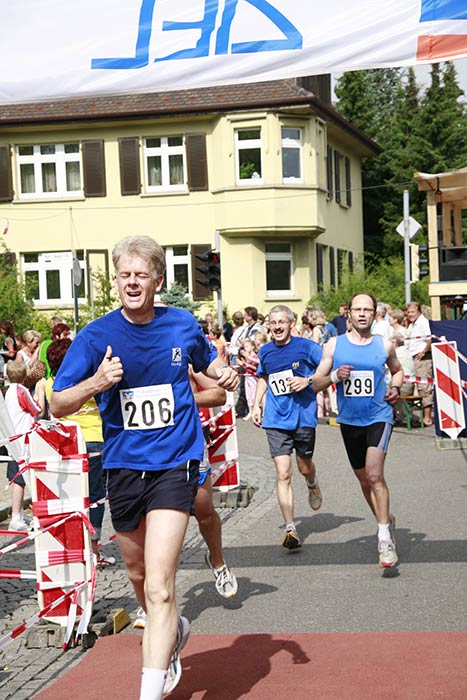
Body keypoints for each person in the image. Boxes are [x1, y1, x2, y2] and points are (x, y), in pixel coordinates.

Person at [49, 235, 238, 700]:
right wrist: (97, 382)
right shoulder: (96, 335)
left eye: (141, 275)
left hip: (176, 463)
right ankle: (170, 631)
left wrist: (225, 372)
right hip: (124, 467)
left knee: (160, 586)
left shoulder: (181, 324)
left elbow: (209, 362)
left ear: (157, 280)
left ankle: (149, 686)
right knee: (137, 574)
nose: (132, 283)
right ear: (116, 281)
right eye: (124, 275)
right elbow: (57, 403)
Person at [134, 366, 238, 630]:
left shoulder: (183, 359)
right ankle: (153, 597)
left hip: (187, 444)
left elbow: (218, 394)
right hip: (145, 449)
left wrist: (182, 399)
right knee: (151, 523)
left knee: (204, 511)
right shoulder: (130, 358)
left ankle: (217, 562)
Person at [312, 293, 403, 568]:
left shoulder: (384, 344)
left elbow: (397, 370)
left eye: (367, 309)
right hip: (350, 421)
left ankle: (384, 539)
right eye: (357, 309)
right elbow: (315, 383)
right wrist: (334, 376)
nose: (362, 314)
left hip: (379, 416)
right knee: (364, 480)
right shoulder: (334, 345)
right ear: (348, 313)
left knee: (375, 474)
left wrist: (395, 387)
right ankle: (384, 519)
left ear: (375, 314)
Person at [251, 305, 323, 550]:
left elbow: (327, 369)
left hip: (303, 417)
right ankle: (290, 527)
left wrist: (307, 380)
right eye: (273, 323)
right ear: (268, 325)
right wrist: (256, 405)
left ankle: (312, 483)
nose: (277, 327)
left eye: (282, 322)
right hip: (276, 419)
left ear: (291, 323)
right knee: (283, 473)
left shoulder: (307, 347)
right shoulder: (265, 351)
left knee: (304, 466)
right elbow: (263, 377)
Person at [46, 338, 113, 566]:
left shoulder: (49, 385)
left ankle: (71, 548)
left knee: (69, 497)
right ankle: (93, 549)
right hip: (93, 439)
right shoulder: (89, 382)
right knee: (95, 497)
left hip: (64, 442)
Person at [4, 360, 42, 531]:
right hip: (23, 442)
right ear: (24, 375)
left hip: (14, 440)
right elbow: (37, 409)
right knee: (21, 480)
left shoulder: (8, 391)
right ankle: (17, 517)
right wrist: (39, 391)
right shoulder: (21, 390)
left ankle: (18, 513)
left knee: (18, 478)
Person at [406, 302, 433, 426]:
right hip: (414, 358)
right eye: (408, 312)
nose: (410, 314)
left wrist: (423, 352)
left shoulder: (423, 322)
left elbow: (430, 338)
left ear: (419, 312)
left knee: (425, 387)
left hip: (422, 359)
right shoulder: (412, 324)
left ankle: (427, 418)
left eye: (413, 312)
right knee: (418, 387)